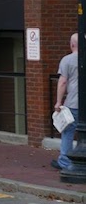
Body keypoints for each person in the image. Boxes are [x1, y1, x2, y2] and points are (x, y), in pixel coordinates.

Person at [53, 32, 79, 171]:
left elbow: (63, 82)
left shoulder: (67, 60)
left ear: (72, 44)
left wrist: (58, 102)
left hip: (73, 102)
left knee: (68, 131)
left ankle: (65, 161)